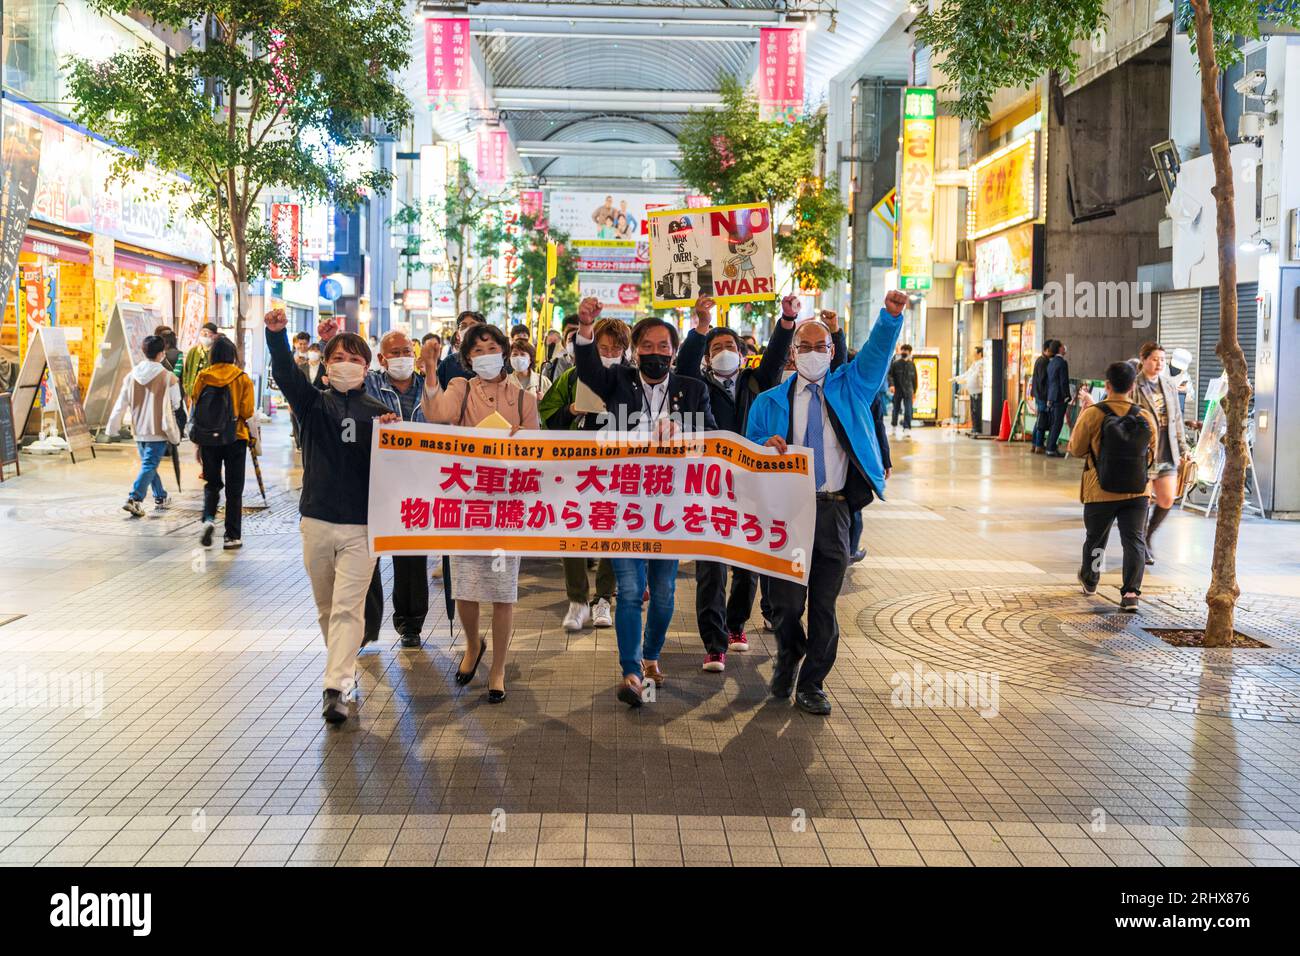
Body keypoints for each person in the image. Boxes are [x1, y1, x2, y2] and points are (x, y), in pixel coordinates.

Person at [746, 291, 906, 716]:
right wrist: (765, 445)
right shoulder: (768, 402)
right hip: (786, 515)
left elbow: (874, 356)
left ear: (832, 351)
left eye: (821, 347)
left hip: (833, 511)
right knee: (785, 604)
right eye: (805, 347)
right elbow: (746, 453)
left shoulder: (851, 388)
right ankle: (788, 655)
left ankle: (812, 683)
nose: (813, 353)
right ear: (792, 355)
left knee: (823, 604)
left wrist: (890, 317)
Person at [572, 297, 715, 707]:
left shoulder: (693, 391)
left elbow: (713, 439)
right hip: (624, 508)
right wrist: (586, 329)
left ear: (673, 351)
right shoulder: (617, 381)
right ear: (635, 352)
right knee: (631, 591)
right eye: (647, 346)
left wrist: (684, 430)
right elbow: (588, 371)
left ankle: (652, 656)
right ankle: (632, 671)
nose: (655, 353)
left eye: (663, 346)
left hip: (670, 510)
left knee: (665, 592)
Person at [265, 308, 398, 724]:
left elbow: (401, 468)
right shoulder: (312, 404)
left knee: (347, 608)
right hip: (317, 521)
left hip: (362, 527)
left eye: (355, 359)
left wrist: (396, 438)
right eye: (338, 357)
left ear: (367, 366)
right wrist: (277, 335)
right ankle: (344, 669)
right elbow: (286, 376)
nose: (346, 364)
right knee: (327, 608)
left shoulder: (380, 413)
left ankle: (335, 686)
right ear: (325, 363)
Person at [675, 292, 795, 671]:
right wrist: (701, 327)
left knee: (747, 564)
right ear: (708, 357)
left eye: (731, 346)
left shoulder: (755, 383)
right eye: (717, 347)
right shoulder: (695, 385)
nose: (725, 351)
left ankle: (735, 624)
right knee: (711, 566)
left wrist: (787, 320)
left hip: (752, 486)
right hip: (709, 487)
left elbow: (776, 355)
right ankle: (714, 643)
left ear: (743, 355)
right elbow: (685, 363)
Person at [421, 323, 540, 704]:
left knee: (503, 591)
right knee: (466, 588)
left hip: (506, 507)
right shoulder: (459, 388)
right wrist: (429, 372)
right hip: (466, 505)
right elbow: (438, 415)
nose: (485, 353)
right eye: (477, 349)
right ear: (468, 357)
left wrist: (522, 442)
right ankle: (473, 644)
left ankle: (499, 667)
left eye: (492, 346)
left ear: (504, 351)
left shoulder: (524, 398)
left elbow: (539, 452)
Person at [538, 317, 629, 632]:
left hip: (618, 470)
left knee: (613, 532)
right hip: (575, 470)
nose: (608, 353)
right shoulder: (573, 377)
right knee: (572, 529)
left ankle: (604, 598)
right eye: (602, 347)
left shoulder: (632, 380)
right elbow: (546, 417)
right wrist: (572, 411)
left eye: (615, 348)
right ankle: (577, 600)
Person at [1068, 360, 1158, 612]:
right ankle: (1130, 593)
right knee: (1134, 541)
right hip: (1137, 490)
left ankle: (1091, 579)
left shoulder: (1094, 414)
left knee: (1096, 540)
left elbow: (1076, 449)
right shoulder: (1145, 416)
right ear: (1132, 386)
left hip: (1100, 490)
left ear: (1107, 385)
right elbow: (1153, 453)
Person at [363, 330, 430, 648]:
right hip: (376, 480)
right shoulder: (371, 385)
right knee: (368, 553)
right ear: (381, 359)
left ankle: (411, 623)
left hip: (417, 482)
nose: (402, 357)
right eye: (394, 353)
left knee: (412, 555)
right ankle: (366, 625)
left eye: (407, 351)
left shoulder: (430, 387)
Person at [190, 335, 255, 549]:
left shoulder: (203, 376)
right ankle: (232, 536)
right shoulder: (241, 378)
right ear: (232, 355)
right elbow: (247, 411)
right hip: (235, 437)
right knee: (234, 488)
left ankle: (208, 520)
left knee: (212, 483)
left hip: (209, 438)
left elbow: (196, 405)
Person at [108, 334, 182, 516]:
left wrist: (112, 426)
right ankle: (135, 498)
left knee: (149, 464)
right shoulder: (168, 377)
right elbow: (177, 403)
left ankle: (160, 496)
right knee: (149, 465)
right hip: (159, 429)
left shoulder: (131, 375)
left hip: (138, 428)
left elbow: (121, 402)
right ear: (161, 353)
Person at [1133, 342, 1191, 566]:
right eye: (1154, 359)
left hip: (1167, 449)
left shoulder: (1168, 384)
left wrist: (1184, 448)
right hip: (1144, 451)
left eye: (1162, 360)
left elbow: (1176, 419)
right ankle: (1139, 544)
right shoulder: (1134, 385)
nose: (1158, 364)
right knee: (1142, 502)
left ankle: (1147, 535)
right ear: (1144, 359)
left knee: (1167, 499)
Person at [436, 310, 482, 388]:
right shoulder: (448, 363)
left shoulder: (492, 360)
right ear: (458, 335)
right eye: (463, 326)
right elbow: (436, 394)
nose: (468, 329)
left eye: (473, 325)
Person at [1044, 341, 1071, 457]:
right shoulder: (1062, 363)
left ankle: (1050, 446)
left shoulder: (1051, 363)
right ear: (1060, 349)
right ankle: (1050, 448)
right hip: (1060, 397)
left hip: (1051, 397)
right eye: (1062, 346)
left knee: (1053, 423)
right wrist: (1067, 396)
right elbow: (1063, 381)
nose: (1065, 348)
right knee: (1057, 423)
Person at [1029, 339, 1056, 453]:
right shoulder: (1044, 362)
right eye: (1052, 349)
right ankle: (1039, 445)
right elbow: (1043, 380)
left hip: (1039, 394)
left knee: (1039, 419)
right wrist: (1047, 397)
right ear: (1047, 350)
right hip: (1042, 396)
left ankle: (1035, 444)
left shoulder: (1040, 360)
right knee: (1042, 419)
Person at [182, 322, 219, 399]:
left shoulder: (217, 352)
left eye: (208, 333)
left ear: (215, 336)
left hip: (210, 395)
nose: (204, 335)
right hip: (194, 393)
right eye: (202, 332)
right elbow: (186, 371)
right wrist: (187, 387)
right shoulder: (193, 351)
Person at [888, 343, 917, 438]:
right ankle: (894, 426)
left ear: (909, 352)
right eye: (903, 350)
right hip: (898, 390)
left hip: (909, 391)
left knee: (908, 410)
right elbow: (890, 375)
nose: (904, 352)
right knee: (895, 409)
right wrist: (891, 385)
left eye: (906, 350)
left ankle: (907, 428)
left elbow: (915, 379)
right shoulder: (896, 364)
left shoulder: (912, 365)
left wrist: (914, 392)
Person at [956, 346, 984, 434]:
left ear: (979, 354)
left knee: (977, 409)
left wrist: (965, 380)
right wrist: (958, 378)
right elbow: (968, 373)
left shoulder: (982, 363)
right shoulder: (974, 364)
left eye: (974, 353)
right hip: (973, 391)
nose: (973, 355)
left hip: (978, 391)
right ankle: (974, 427)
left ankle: (978, 428)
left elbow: (976, 376)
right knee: (973, 409)